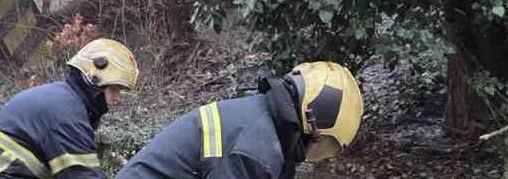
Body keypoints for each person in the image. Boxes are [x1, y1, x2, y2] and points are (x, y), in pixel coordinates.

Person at [116, 61, 363, 179]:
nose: (317, 155)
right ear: (310, 120)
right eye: (325, 145)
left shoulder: (261, 120)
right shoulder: (255, 151)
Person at [0, 38, 139, 179]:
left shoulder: (62, 99)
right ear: (93, 81)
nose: (118, 98)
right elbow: (83, 175)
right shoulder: (66, 114)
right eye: (114, 89)